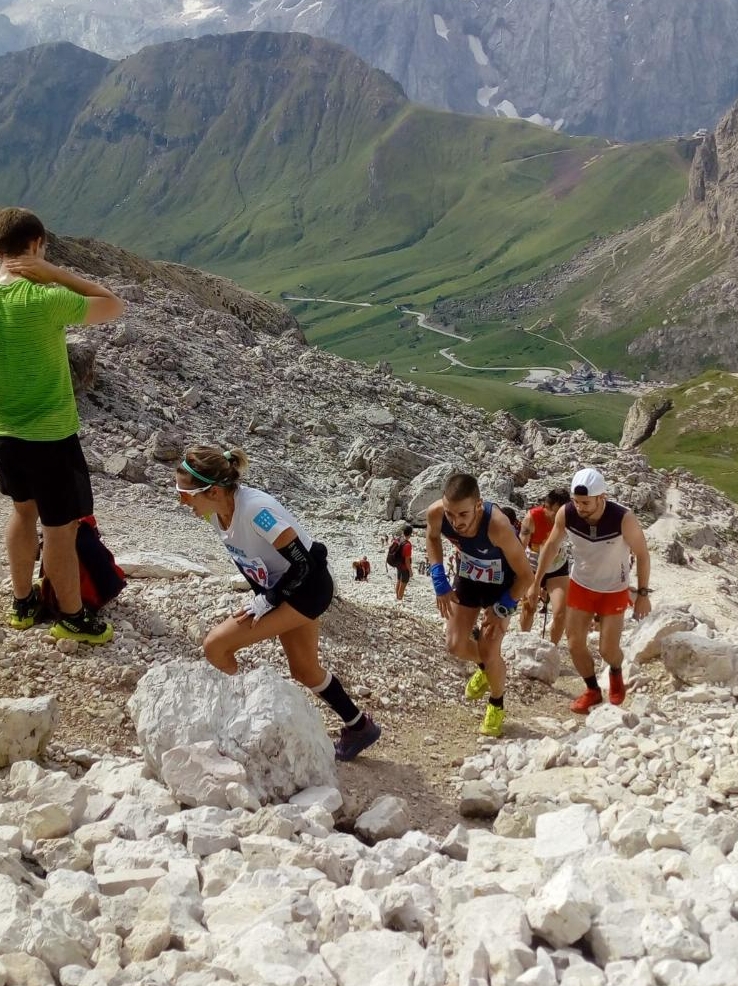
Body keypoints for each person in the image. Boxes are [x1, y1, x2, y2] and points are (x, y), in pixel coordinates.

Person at [175, 445, 381, 761]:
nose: (182, 502)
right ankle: (360, 726)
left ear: (214, 491)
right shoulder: (216, 511)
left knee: (216, 646)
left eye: (186, 495)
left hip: (306, 589)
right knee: (305, 670)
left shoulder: (256, 510)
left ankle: (237, 726)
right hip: (285, 589)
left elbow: (305, 565)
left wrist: (267, 600)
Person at [0, 207, 124, 643]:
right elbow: (112, 304)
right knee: (60, 526)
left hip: (5, 432)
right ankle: (71, 617)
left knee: (21, 511)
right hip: (49, 433)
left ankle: (22, 603)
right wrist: (53, 272)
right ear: (34, 245)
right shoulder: (44, 299)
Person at [530, 468, 652, 714]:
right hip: (582, 584)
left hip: (614, 588)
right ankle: (592, 690)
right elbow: (551, 545)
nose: (580, 508)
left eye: (585, 503)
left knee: (607, 649)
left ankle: (616, 671)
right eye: (576, 502)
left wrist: (642, 594)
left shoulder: (622, 518)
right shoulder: (567, 513)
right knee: (574, 643)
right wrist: (536, 582)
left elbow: (642, 553)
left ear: (601, 497)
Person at [426, 472, 533, 737]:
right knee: (454, 644)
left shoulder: (498, 526)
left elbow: (527, 576)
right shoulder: (437, 513)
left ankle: (497, 703)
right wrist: (438, 577)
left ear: (478, 505)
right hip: (469, 577)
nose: (456, 522)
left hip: (503, 586)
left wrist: (503, 607)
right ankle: (487, 668)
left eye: (463, 514)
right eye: (451, 514)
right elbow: (432, 538)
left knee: (489, 647)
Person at [519, 489, 571, 644]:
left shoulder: (568, 517)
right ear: (548, 507)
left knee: (561, 613)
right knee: (529, 607)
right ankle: (524, 641)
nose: (559, 518)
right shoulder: (532, 518)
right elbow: (520, 548)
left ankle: (552, 648)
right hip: (532, 566)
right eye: (556, 513)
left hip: (557, 566)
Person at [395, 524, 413, 601]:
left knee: (399, 581)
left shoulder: (399, 540)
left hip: (398, 565)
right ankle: (399, 600)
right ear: (410, 533)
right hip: (404, 567)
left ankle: (397, 597)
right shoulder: (408, 545)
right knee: (403, 584)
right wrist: (410, 571)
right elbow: (407, 561)